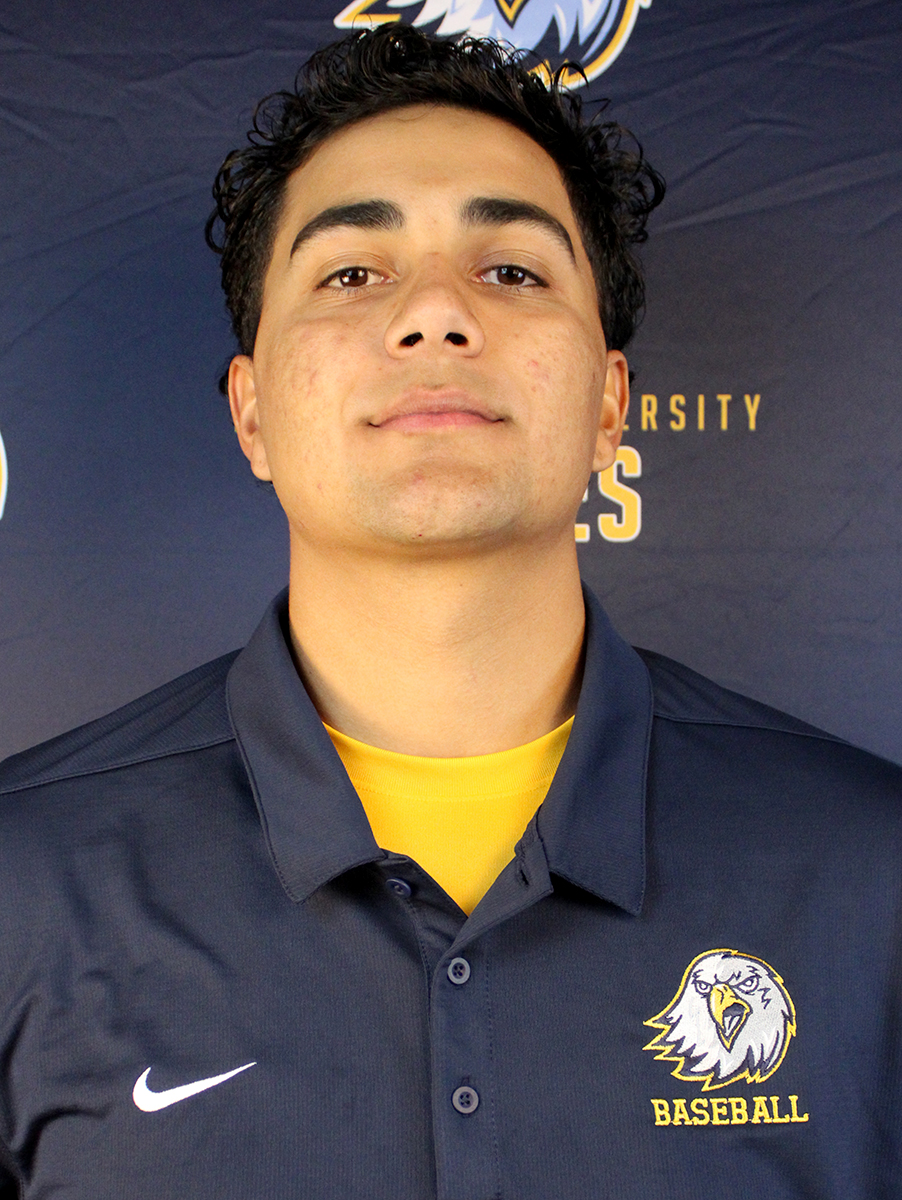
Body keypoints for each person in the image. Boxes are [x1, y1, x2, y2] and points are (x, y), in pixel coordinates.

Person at [0, 24, 900, 1200]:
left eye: (511, 271)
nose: (434, 315)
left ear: (609, 406)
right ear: (252, 412)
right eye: (351, 274)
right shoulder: (22, 881)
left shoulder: (869, 876)